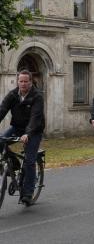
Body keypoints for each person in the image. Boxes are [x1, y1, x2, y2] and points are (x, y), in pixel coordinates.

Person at [0, 70, 45, 205]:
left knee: (30, 160)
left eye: (26, 81)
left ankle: (28, 192)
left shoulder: (37, 96)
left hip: (34, 131)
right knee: (1, 141)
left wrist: (28, 133)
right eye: (21, 81)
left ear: (30, 82)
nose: (23, 84)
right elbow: (2, 110)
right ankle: (13, 164)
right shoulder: (13, 95)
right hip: (17, 128)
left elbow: (35, 117)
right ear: (17, 81)